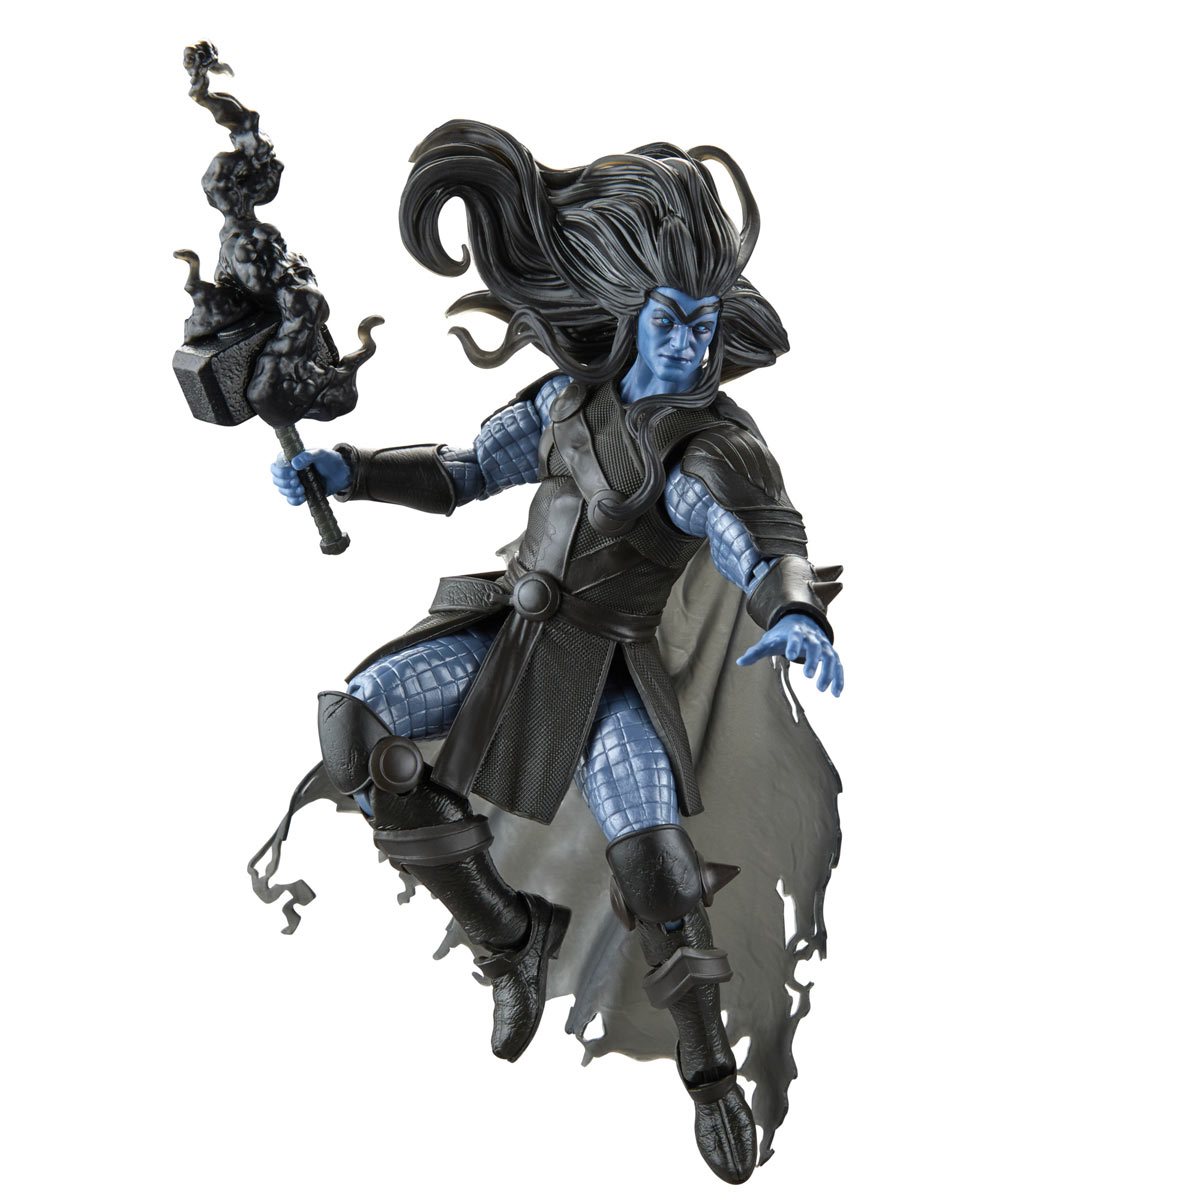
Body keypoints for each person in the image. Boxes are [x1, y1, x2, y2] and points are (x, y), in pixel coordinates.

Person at [269, 121, 844, 1185]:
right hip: (512, 634)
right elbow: (459, 472)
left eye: (706, 322)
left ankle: (710, 1073)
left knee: (657, 865)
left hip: (610, 671)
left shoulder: (706, 446)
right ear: (626, 316)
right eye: (670, 320)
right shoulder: (565, 404)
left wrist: (793, 606)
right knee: (357, 726)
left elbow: (750, 534)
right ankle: (510, 938)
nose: (691, 344)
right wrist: (350, 472)